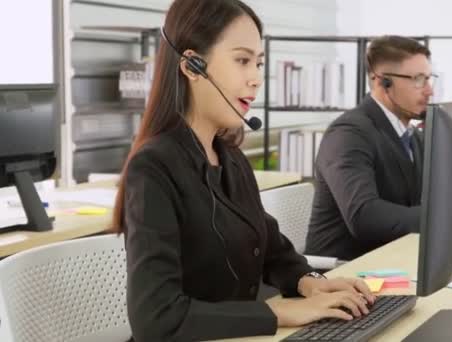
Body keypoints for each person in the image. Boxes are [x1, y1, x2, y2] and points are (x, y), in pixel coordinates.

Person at [111, 0, 373, 340]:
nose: (256, 79)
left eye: (259, 63)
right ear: (192, 65)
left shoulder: (230, 156)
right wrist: (277, 312)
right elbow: (157, 317)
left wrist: (311, 284)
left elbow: (270, 249)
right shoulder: (154, 167)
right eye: (242, 60)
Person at [305, 36, 435, 261]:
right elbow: (364, 216)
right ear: (381, 82)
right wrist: (442, 218)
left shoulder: (413, 137)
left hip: (392, 260)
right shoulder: (348, 133)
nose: (429, 90)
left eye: (429, 79)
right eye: (418, 79)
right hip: (344, 272)